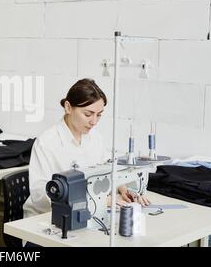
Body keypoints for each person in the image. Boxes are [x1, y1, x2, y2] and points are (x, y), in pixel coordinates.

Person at [23, 78, 150, 221]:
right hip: (45, 221)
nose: (94, 121)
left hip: (87, 216)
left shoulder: (95, 138)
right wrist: (97, 201)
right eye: (88, 114)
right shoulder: (47, 142)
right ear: (68, 107)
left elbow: (105, 172)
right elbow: (41, 195)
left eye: (99, 115)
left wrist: (122, 187)